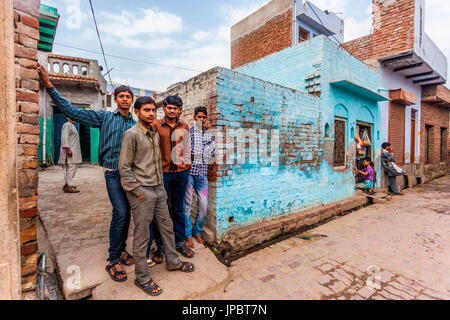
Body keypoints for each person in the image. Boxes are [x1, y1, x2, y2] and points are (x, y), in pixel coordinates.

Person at [37, 64, 136, 282]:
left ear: (132, 100)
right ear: (115, 98)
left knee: (127, 213)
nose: (125, 99)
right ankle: (112, 259)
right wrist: (50, 86)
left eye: (129, 96)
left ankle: (120, 249)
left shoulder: (135, 125)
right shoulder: (105, 118)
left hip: (130, 176)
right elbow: (74, 111)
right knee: (120, 212)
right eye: (121, 96)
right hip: (112, 173)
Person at [119, 96, 194, 296]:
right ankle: (142, 277)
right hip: (142, 190)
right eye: (146, 110)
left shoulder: (152, 132)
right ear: (137, 113)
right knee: (142, 235)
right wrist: (137, 191)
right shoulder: (132, 134)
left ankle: (173, 262)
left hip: (159, 187)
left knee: (167, 227)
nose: (151, 113)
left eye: (153, 110)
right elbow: (124, 168)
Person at [151, 96, 194, 264]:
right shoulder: (156, 126)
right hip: (163, 174)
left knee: (178, 208)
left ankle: (179, 242)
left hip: (181, 174)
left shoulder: (184, 126)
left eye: (176, 108)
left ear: (180, 110)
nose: (172, 111)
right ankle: (160, 245)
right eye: (170, 108)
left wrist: (187, 164)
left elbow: (187, 147)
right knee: (161, 211)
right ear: (165, 108)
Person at [184, 107, 216, 248]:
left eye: (204, 117)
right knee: (187, 204)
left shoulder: (209, 135)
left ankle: (197, 231)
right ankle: (187, 235)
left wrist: (198, 152)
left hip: (202, 173)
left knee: (203, 205)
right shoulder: (188, 133)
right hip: (189, 173)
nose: (201, 120)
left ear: (206, 118)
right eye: (199, 117)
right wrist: (203, 151)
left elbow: (212, 153)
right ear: (194, 117)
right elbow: (186, 152)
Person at [59, 118, 82, 193]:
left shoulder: (72, 126)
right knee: (71, 168)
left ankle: (67, 184)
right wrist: (68, 149)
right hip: (71, 151)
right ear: (68, 118)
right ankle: (68, 186)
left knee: (72, 167)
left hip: (74, 151)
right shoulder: (67, 125)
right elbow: (64, 137)